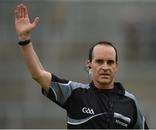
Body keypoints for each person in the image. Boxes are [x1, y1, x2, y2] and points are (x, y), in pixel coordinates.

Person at [15, 4, 148, 129]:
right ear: (89, 64)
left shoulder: (130, 102)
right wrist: (24, 39)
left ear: (116, 66)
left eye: (110, 62)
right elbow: (38, 74)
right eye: (99, 61)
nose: (105, 67)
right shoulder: (74, 93)